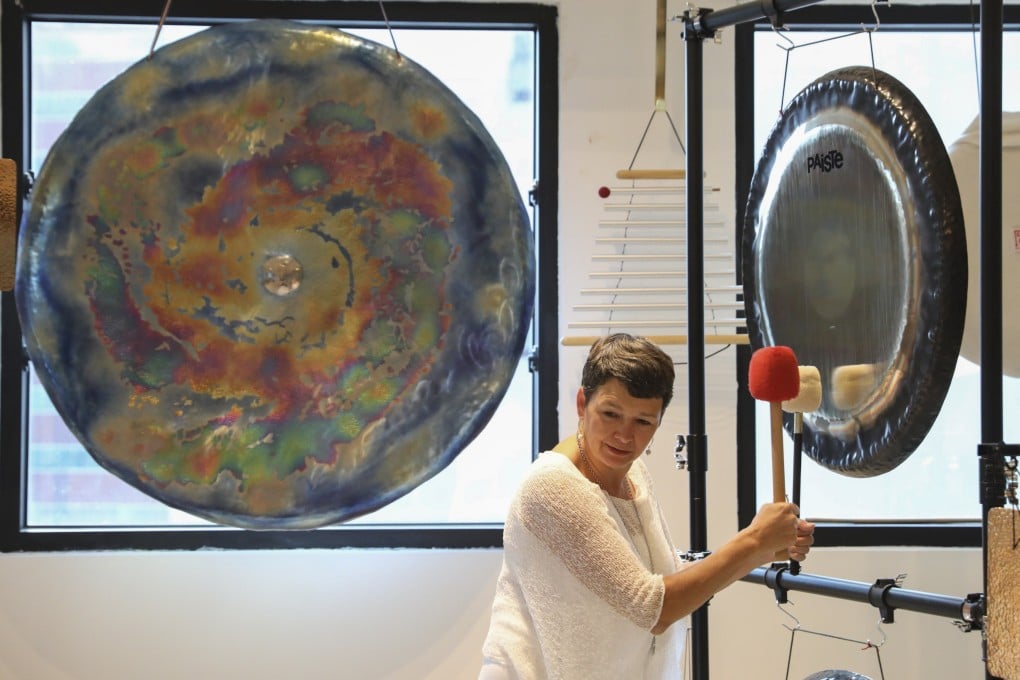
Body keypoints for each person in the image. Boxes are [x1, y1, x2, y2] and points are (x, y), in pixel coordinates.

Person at [479, 333, 814, 679]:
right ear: (582, 403)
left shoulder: (632, 474)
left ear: (659, 420)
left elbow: (662, 576)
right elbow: (653, 608)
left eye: (642, 421)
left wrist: (765, 548)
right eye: (610, 414)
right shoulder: (553, 486)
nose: (624, 436)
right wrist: (754, 541)